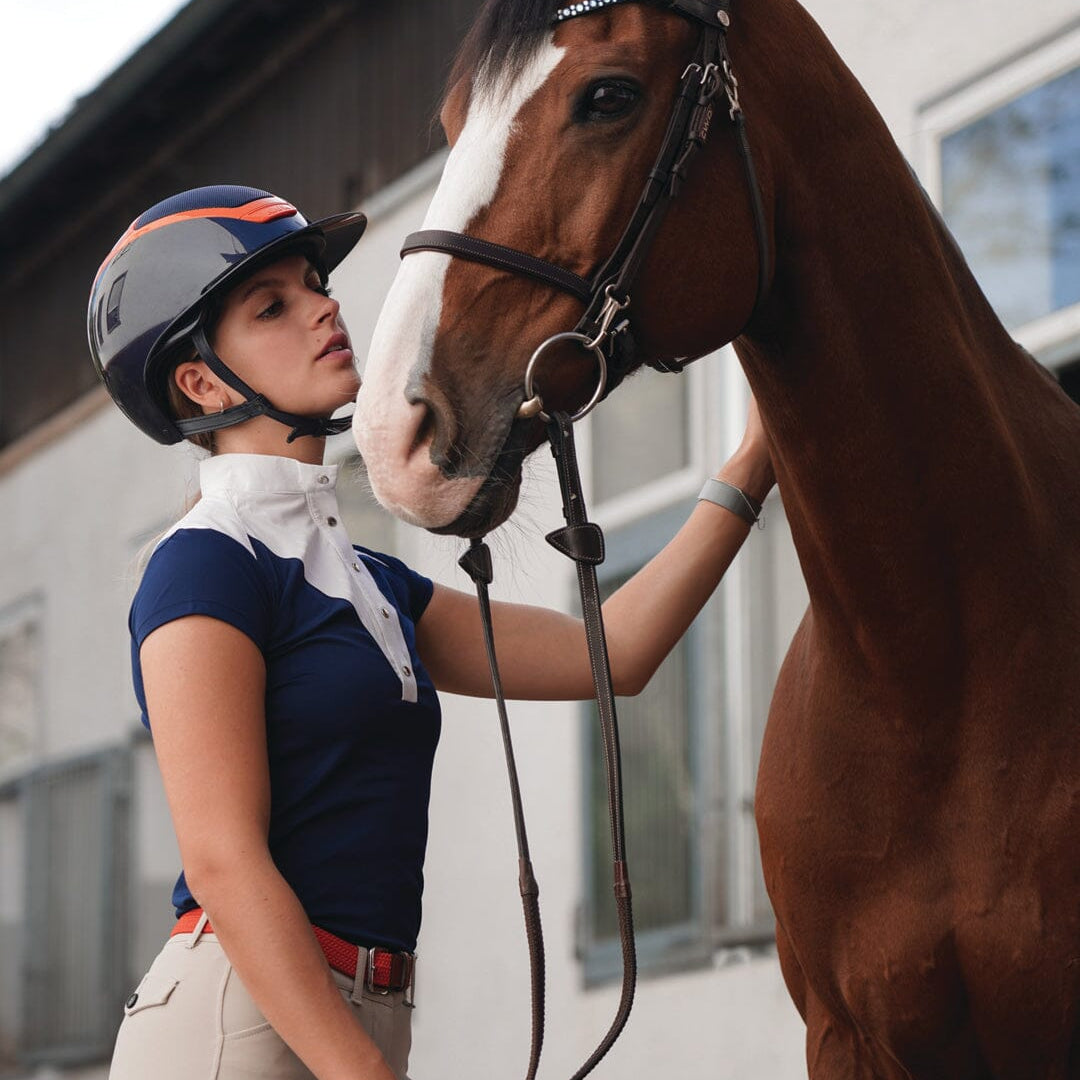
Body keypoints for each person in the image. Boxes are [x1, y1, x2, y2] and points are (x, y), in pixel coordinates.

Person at [88, 185, 775, 1080]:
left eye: (312, 285)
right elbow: (222, 858)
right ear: (203, 382)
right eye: (273, 306)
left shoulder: (367, 581)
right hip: (244, 1018)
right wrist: (357, 1069)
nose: (323, 307)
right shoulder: (206, 562)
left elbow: (617, 655)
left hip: (364, 1015)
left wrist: (754, 459)